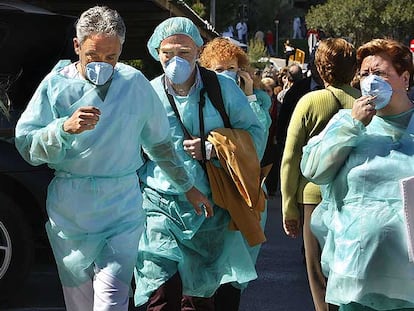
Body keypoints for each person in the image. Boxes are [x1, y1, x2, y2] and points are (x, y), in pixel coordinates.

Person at [13, 6, 213, 311]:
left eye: (112, 57)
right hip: (71, 211)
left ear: (121, 49)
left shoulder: (134, 85)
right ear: (77, 46)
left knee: (111, 301)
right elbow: (27, 145)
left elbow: (160, 145)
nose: (102, 65)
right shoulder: (56, 86)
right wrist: (63, 129)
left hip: (122, 207)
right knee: (79, 304)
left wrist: (188, 187)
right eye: (93, 56)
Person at [134, 17, 266, 311]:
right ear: (157, 52)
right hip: (159, 204)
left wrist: (214, 150)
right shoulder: (148, 93)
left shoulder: (222, 89)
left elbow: (255, 138)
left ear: (197, 51)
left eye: (184, 52)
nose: (175, 60)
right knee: (160, 293)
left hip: (211, 207)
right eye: (168, 53)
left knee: (198, 297)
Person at [301, 38, 414, 311]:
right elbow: (314, 170)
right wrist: (353, 126)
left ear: (405, 79)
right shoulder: (345, 121)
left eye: (381, 73)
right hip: (356, 272)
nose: (371, 80)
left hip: (407, 281)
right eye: (365, 74)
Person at [280, 38, 360, 311]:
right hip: (356, 197)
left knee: (317, 271)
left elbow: (291, 158)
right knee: (351, 267)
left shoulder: (310, 102)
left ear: (319, 67)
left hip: (314, 197)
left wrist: (288, 205)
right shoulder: (365, 102)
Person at [199, 37, 272, 140]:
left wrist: (249, 96)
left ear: (240, 69)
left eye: (231, 68)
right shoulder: (201, 96)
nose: (226, 73)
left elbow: (260, 130)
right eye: (219, 70)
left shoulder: (258, 98)